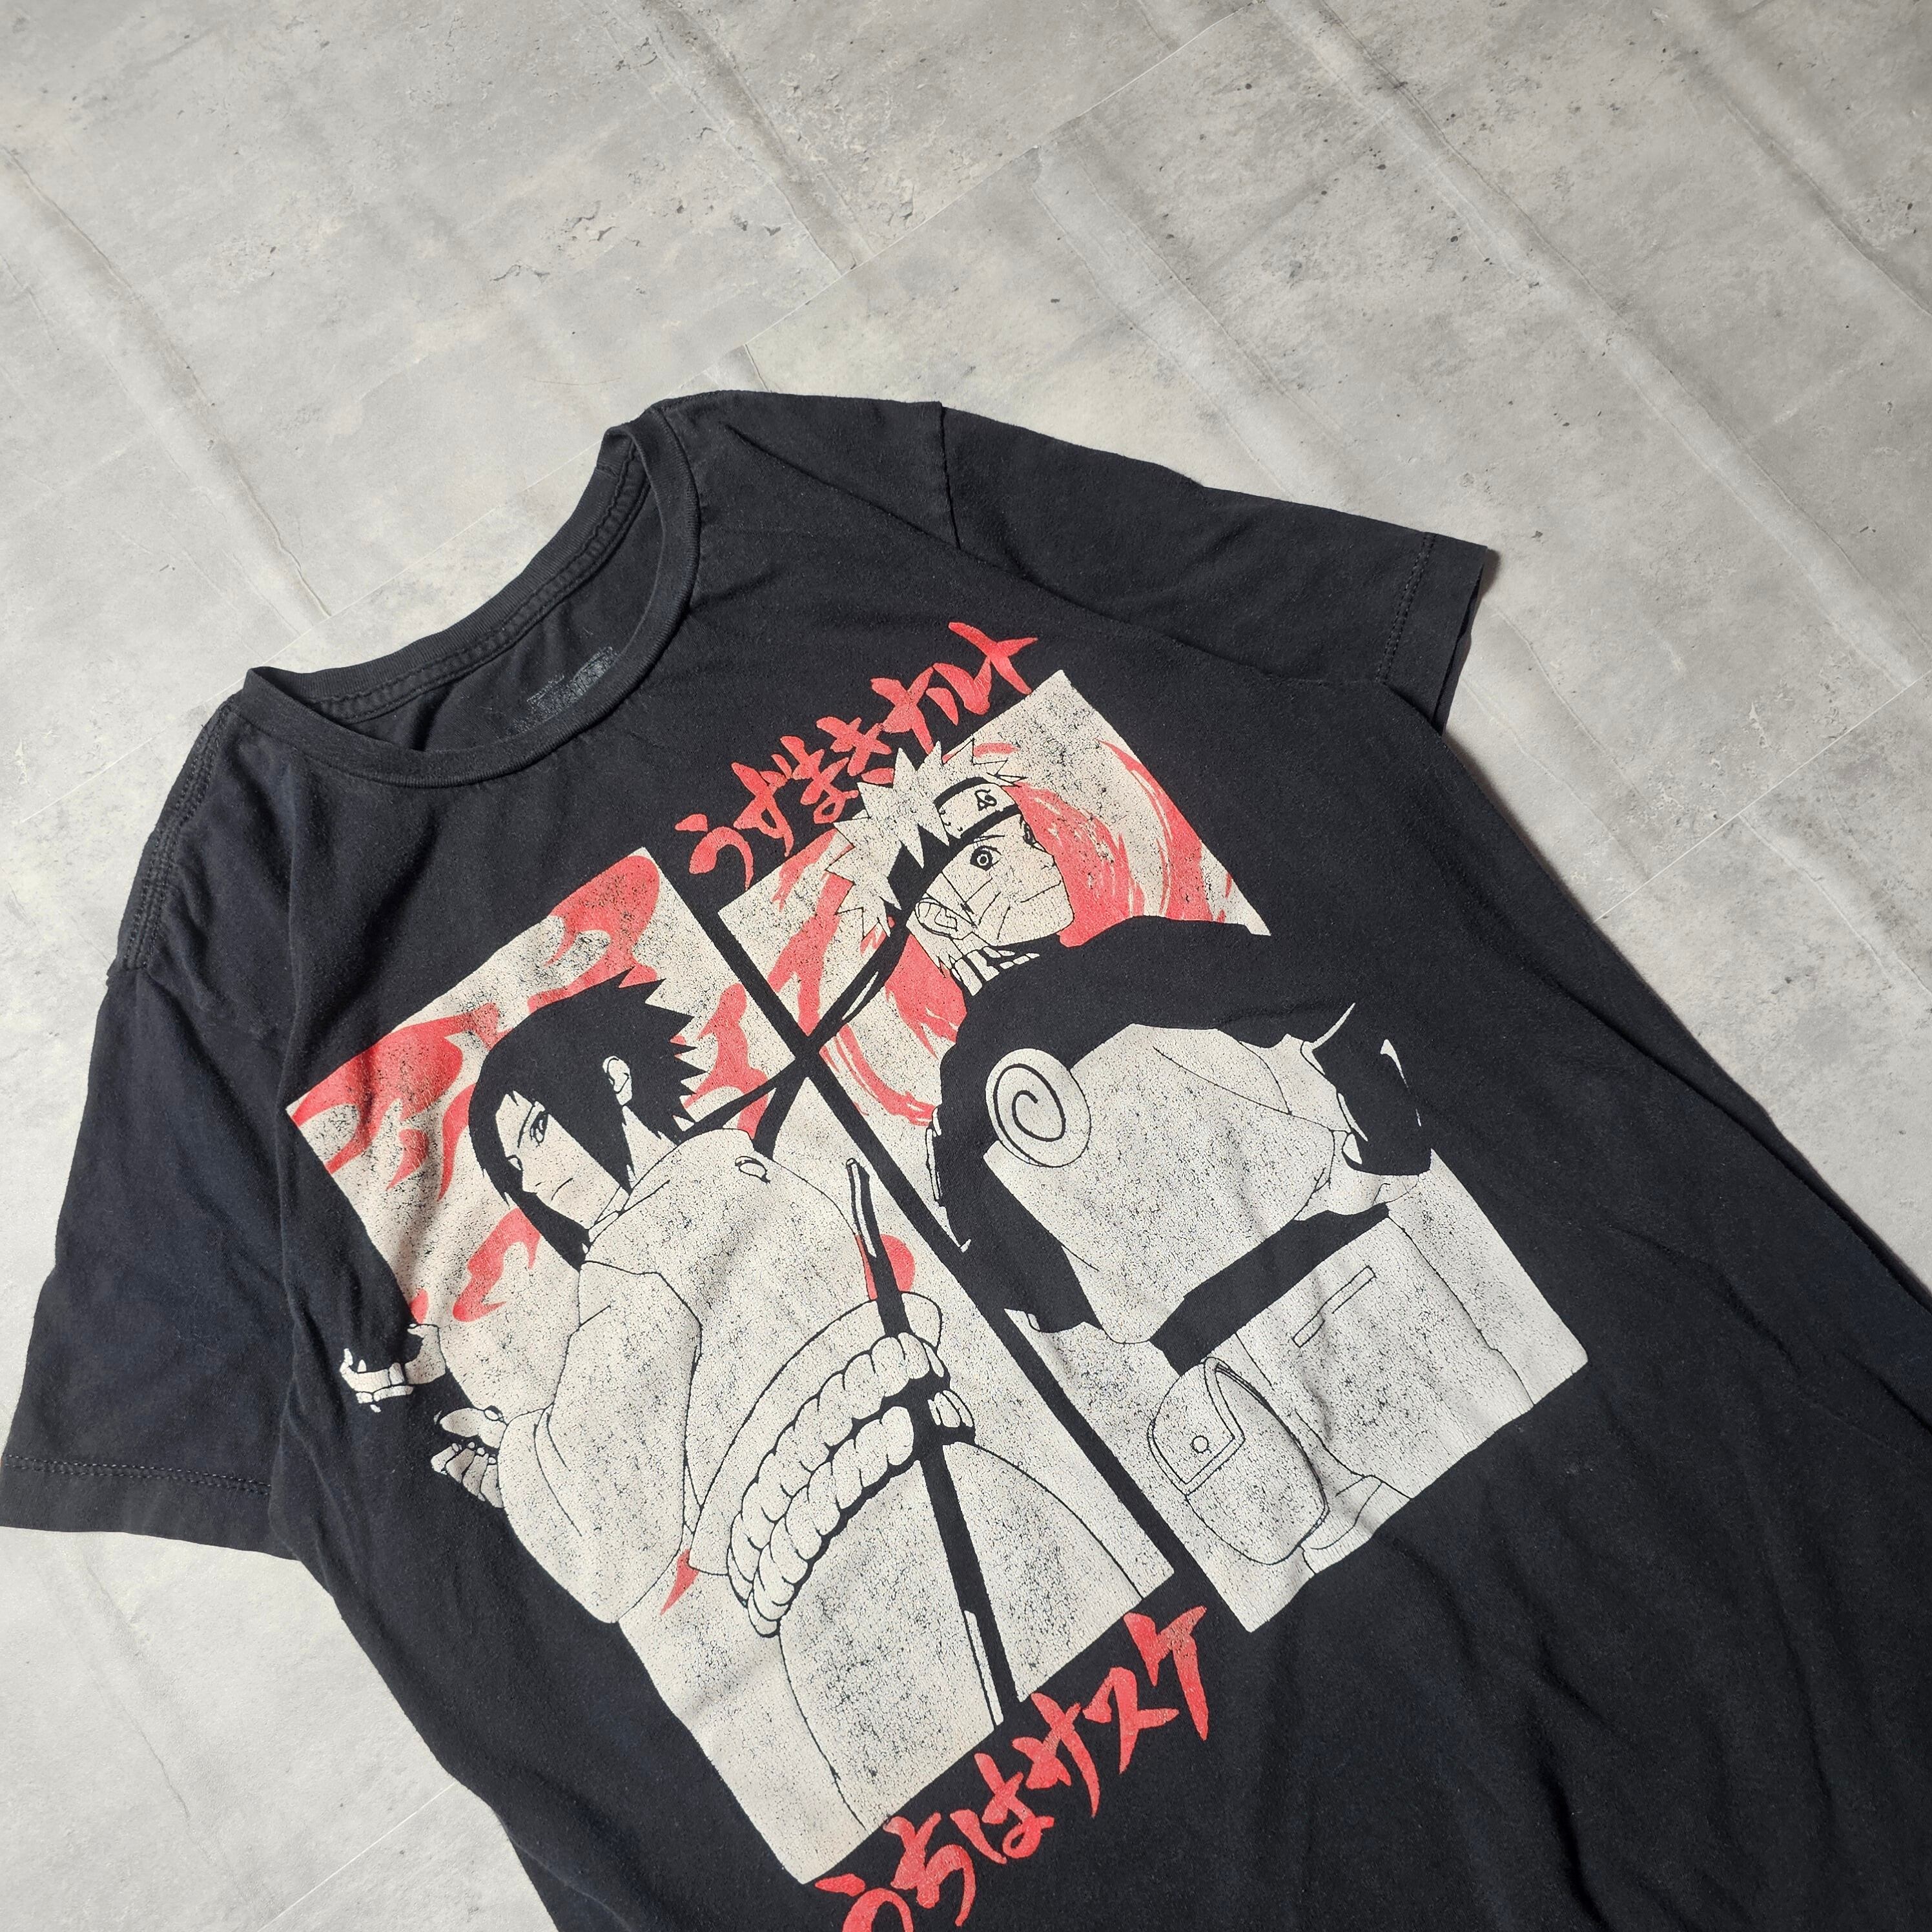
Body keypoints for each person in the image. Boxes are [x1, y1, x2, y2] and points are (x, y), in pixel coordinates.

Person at [828, 740, 1536, 1572]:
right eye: (988, 857)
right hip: (1337, 1281)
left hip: (1211, 1366)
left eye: (1021, 833)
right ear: (944, 919)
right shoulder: (1129, 965)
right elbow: (1327, 999)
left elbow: (1012, 1280)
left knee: (1365, 1550)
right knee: (1510, 1457)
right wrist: (1382, 1154)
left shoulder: (962, 1093)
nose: (1033, 857)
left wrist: (1125, 1305)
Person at [449, 977, 1138, 1827]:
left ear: (615, 1081)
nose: (537, 1180)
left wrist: (515, 1460)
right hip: (987, 1505)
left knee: (988, 1817)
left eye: (538, 1132)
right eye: (519, 1170)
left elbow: (607, 1519)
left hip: (861, 1590)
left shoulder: (642, 1252)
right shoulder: (757, 1175)